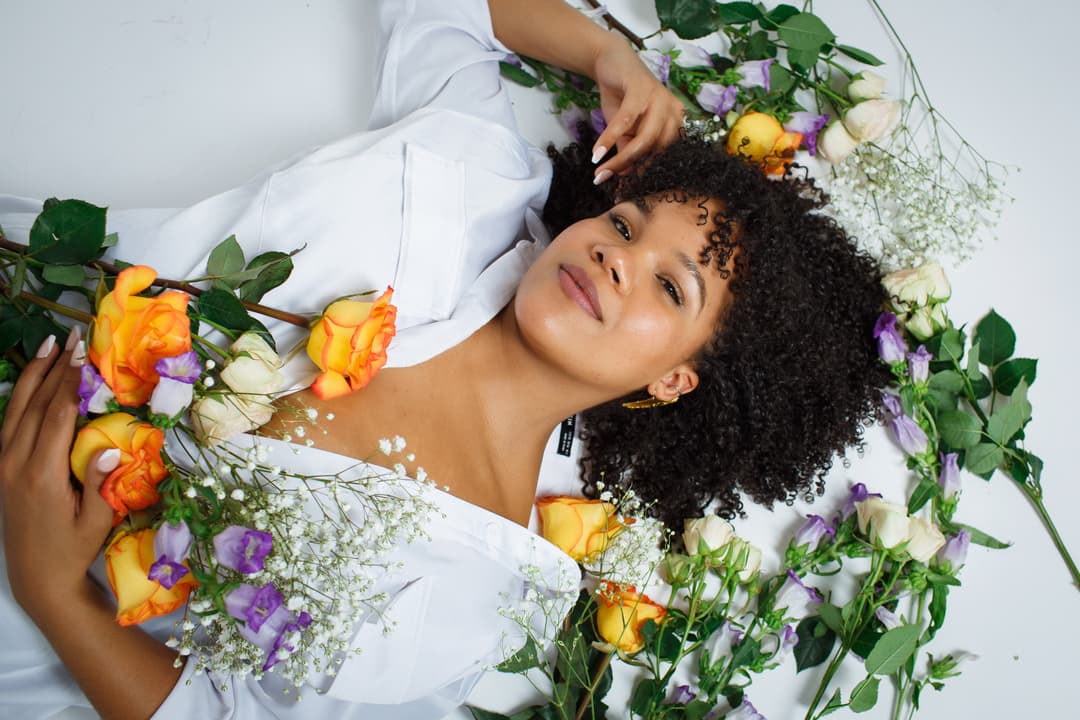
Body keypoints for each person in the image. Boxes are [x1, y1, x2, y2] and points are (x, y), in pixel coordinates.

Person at [0, 1, 884, 719]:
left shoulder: (474, 593)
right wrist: (610, 54)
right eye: (625, 222)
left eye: (671, 287)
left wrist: (49, 588)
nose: (618, 253)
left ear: (676, 379)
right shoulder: (481, 178)